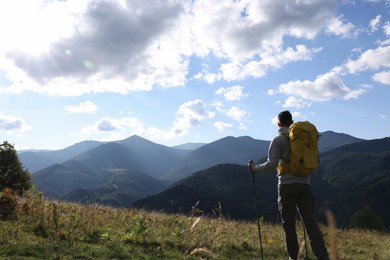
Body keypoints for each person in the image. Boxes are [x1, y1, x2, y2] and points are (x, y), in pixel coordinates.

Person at [248, 110, 329, 260]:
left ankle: (295, 258)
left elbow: (272, 164)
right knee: (310, 222)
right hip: (305, 184)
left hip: (286, 185)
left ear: (279, 123)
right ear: (291, 122)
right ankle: (323, 257)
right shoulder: (301, 138)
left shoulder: (278, 140)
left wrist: (255, 169)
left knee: (289, 224)